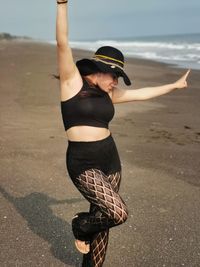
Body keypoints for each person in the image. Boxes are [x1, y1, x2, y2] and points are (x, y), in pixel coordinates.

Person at [55, 1, 190, 266]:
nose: (116, 81)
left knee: (103, 227)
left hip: (110, 160)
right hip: (83, 164)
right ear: (98, 70)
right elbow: (62, 43)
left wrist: (174, 85)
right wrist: (62, 5)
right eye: (114, 75)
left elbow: (141, 94)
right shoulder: (72, 84)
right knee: (117, 213)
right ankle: (80, 226)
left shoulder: (109, 95)